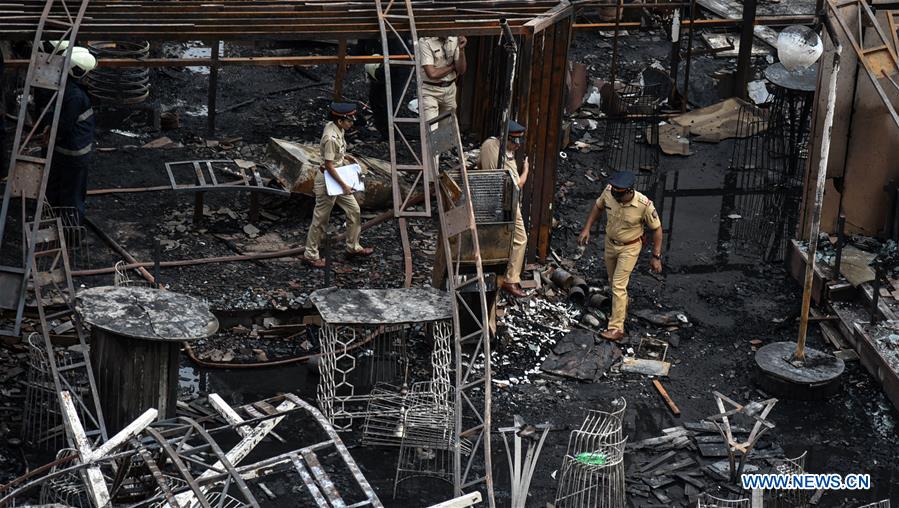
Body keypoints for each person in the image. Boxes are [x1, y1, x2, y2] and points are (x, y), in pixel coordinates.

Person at [578, 171, 663, 341]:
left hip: (630, 248)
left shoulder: (643, 205)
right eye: (614, 191)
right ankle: (622, 304)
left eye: (620, 193)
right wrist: (587, 228)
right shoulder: (609, 192)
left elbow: (657, 229)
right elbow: (598, 207)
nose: (615, 194)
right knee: (613, 281)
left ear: (629, 190)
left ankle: (617, 328)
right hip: (610, 244)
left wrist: (656, 256)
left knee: (617, 284)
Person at [303, 102, 373, 268]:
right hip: (329, 181)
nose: (352, 123)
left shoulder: (338, 128)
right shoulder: (331, 138)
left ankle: (353, 246)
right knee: (321, 218)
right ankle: (310, 255)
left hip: (338, 177)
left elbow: (335, 157)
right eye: (349, 120)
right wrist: (344, 186)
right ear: (340, 121)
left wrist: (347, 158)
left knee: (354, 210)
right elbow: (328, 165)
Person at [45, 46, 96, 224]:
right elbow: (65, 126)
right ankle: (70, 234)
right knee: (72, 196)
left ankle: (52, 222)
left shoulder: (62, 87)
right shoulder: (76, 96)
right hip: (75, 153)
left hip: (62, 151)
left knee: (56, 189)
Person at [478, 120, 530, 298]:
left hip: (487, 198)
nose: (517, 145)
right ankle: (510, 279)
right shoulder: (503, 157)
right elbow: (518, 185)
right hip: (504, 201)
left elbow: (478, 164)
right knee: (520, 239)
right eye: (514, 141)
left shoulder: (488, 143)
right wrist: (526, 171)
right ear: (505, 138)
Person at [418, 35, 466, 126]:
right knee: (432, 131)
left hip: (450, 91)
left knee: (447, 130)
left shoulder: (454, 38)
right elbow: (432, 74)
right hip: (430, 91)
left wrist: (462, 50)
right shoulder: (424, 41)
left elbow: (461, 70)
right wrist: (452, 67)